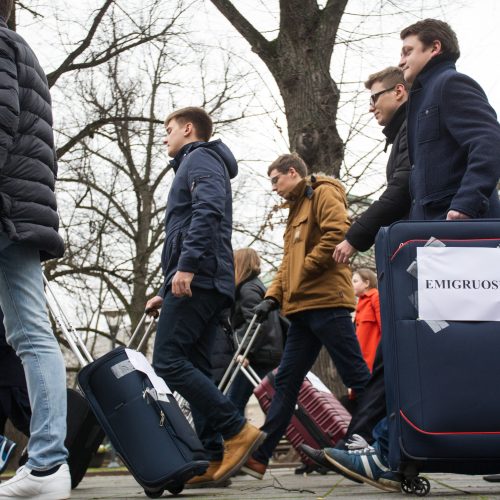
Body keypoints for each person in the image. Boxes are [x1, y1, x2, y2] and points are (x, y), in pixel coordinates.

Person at [323, 18, 500, 493]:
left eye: (407, 50)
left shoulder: (452, 85)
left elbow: (488, 142)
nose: (401, 59)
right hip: (437, 247)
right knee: (438, 350)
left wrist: (464, 208)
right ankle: (391, 450)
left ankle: (386, 453)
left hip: (455, 245)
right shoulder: (426, 99)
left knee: (434, 349)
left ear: (433, 48)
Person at [145, 107, 266, 488]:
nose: (165, 137)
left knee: (166, 360)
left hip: (200, 276)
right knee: (194, 366)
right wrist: (170, 286)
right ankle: (213, 457)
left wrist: (187, 267)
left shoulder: (199, 159)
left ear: (188, 128)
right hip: (202, 279)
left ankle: (236, 429)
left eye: (168, 129)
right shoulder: (195, 162)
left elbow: (208, 211)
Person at [301, 66, 411, 472]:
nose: (370, 108)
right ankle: (364, 442)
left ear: (399, 92)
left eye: (375, 98)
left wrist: (353, 238)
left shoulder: (413, 129)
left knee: (386, 364)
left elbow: (402, 191)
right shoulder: (400, 135)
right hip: (311, 303)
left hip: (334, 297)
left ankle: (374, 446)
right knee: (385, 366)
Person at [240, 153, 371, 480]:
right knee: (286, 381)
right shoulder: (295, 209)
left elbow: (337, 232)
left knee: (355, 375)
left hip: (327, 302)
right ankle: (260, 456)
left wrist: (303, 271)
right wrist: (272, 297)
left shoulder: (324, 192)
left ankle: (376, 443)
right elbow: (287, 262)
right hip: (301, 309)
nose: (274, 188)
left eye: (275, 180)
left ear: (293, 172)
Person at [0, 1, 71, 498]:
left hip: (8, 202)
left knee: (29, 334)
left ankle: (47, 465)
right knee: (30, 333)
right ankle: (48, 466)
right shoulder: (19, 48)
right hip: (22, 208)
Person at [227, 248, 283, 416]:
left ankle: (236, 440)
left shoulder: (247, 289)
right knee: (273, 401)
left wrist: (244, 351)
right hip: (267, 351)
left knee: (233, 402)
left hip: (257, 355)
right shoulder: (257, 286)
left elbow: (256, 323)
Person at [0, 311, 31, 476]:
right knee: (30, 422)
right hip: (10, 374)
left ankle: (52, 462)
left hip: (10, 376)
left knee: (30, 422)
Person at [351, 269, 381, 372]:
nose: (351, 285)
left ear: (367, 283)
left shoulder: (376, 298)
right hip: (361, 362)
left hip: (374, 362)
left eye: (355, 281)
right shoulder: (360, 302)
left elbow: (385, 329)